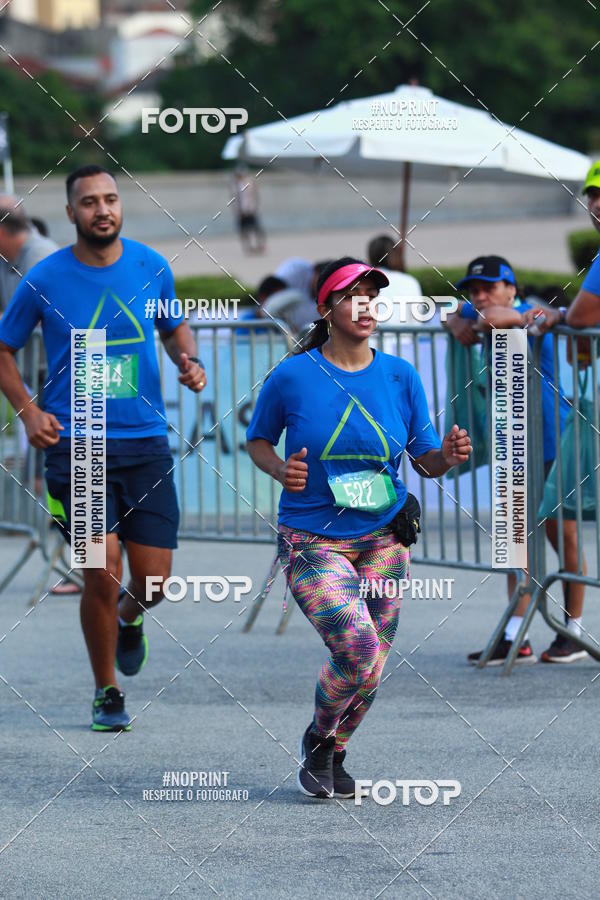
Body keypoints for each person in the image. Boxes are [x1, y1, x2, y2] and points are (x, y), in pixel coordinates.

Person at [246, 256, 472, 799]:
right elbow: (258, 440)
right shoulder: (293, 375)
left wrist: (446, 455)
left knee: (374, 662)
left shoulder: (400, 375)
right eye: (353, 295)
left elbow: (423, 460)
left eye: (373, 295)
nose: (366, 305)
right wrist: (280, 469)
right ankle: (319, 739)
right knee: (358, 648)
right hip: (312, 536)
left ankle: (332, 750)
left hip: (385, 536)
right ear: (326, 308)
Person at [0, 164, 207, 731]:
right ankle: (106, 691)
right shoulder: (43, 278)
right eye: (89, 202)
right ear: (71, 214)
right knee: (99, 570)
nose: (102, 209)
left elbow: (173, 328)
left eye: (110, 199)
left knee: (155, 582)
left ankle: (129, 618)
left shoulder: (151, 266)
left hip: (145, 445)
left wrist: (188, 361)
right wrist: (29, 410)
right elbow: (3, 348)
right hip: (80, 447)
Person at [444, 255, 587, 664]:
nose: (480, 296)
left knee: (565, 537)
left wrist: (470, 321)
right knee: (514, 542)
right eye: (473, 290)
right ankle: (515, 634)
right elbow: (452, 313)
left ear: (512, 288)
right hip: (513, 444)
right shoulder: (480, 310)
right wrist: (454, 319)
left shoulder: (528, 310)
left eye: (489, 287)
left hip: (553, 441)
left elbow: (506, 318)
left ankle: (572, 632)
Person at [232, 168, 266, 254]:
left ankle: (260, 246)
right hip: (242, 211)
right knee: (244, 230)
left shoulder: (248, 183)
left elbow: (253, 195)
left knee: (256, 229)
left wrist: (253, 207)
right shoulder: (236, 185)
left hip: (250, 210)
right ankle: (249, 247)